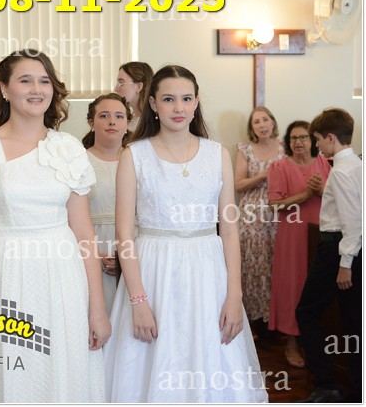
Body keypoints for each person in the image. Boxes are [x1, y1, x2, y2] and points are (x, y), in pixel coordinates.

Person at [104, 65, 267, 402]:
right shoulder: (134, 155)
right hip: (152, 271)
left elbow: (229, 229)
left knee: (210, 359)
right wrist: (138, 301)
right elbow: (124, 234)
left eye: (186, 99)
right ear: (153, 103)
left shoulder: (217, 153)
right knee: (149, 364)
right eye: (168, 99)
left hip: (208, 272)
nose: (178, 108)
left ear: (196, 102)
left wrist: (234, 295)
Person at [0, 49, 110, 403]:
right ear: (5, 89)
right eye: (25, 81)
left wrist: (97, 308)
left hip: (62, 278)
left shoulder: (68, 147)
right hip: (4, 276)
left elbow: (84, 234)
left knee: (61, 372)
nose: (37, 89)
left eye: (44, 81)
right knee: (11, 375)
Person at [296, 108, 362, 403]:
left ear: (331, 138)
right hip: (347, 249)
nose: (317, 145)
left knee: (306, 312)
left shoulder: (342, 171)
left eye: (318, 139)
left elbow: (353, 221)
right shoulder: (357, 164)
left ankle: (326, 384)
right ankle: (357, 389)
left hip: (337, 249)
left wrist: (345, 263)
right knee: (352, 321)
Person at [267, 121, 330, 368]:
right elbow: (274, 204)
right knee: (293, 286)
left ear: (312, 140)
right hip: (292, 236)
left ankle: (315, 342)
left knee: (318, 286)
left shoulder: (323, 163)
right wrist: (305, 195)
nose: (298, 142)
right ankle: (291, 343)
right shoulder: (279, 167)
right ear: (288, 142)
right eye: (293, 138)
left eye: (303, 137)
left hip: (321, 234)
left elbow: (336, 195)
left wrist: (322, 190)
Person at [234, 106, 284, 330]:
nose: (262, 125)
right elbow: (238, 184)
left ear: (273, 122)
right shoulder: (245, 150)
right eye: (256, 122)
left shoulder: (285, 147)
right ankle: (251, 322)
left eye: (265, 120)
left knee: (276, 265)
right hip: (251, 215)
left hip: (280, 213)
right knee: (252, 266)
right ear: (251, 128)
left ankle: (276, 320)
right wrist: (264, 174)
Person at [82, 92, 131, 314]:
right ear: (91, 122)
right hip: (92, 244)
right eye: (104, 116)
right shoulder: (80, 161)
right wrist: (94, 253)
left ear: (127, 124)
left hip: (133, 244)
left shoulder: (138, 160)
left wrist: (127, 254)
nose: (112, 122)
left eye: (119, 116)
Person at [114, 61, 153, 132]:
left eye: (121, 83)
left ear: (139, 87)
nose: (115, 89)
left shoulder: (150, 124)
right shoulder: (130, 119)